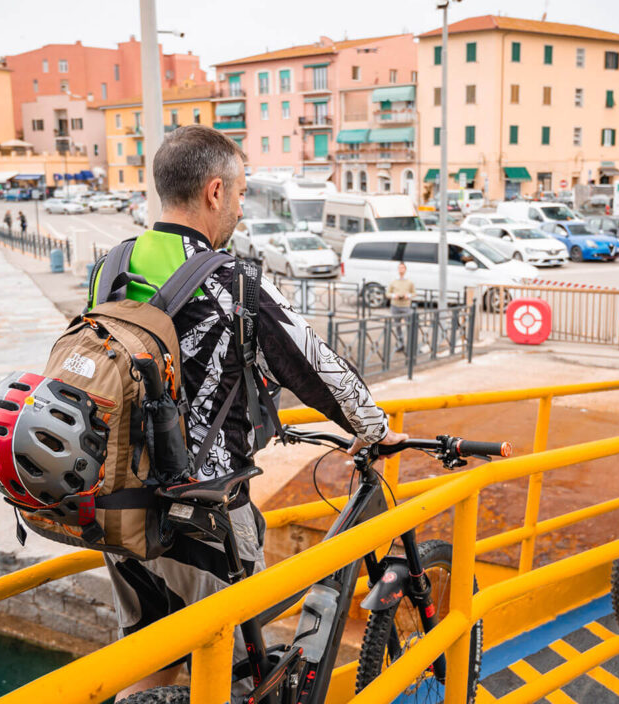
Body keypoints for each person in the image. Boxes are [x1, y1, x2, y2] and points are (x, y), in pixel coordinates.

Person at [103, 125, 407, 697]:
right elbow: (312, 364)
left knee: (150, 660)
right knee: (232, 676)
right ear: (215, 191)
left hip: (120, 509)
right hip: (204, 514)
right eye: (241, 195)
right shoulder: (228, 282)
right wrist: (375, 429)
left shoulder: (112, 266)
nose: (242, 209)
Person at [388, 262, 415, 352]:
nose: (401, 270)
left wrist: (409, 295)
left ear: (405, 269)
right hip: (395, 305)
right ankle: (400, 344)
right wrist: (393, 296)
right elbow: (387, 293)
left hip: (406, 306)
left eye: (402, 268)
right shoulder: (394, 281)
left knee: (409, 325)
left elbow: (414, 293)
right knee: (397, 326)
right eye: (399, 268)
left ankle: (410, 346)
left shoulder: (409, 282)